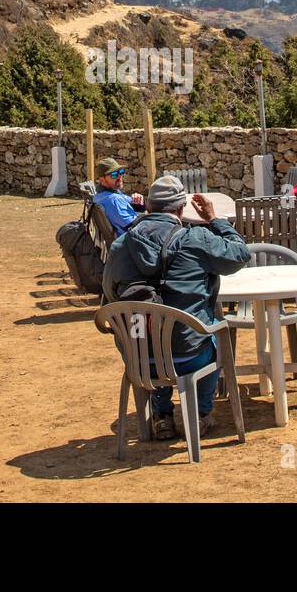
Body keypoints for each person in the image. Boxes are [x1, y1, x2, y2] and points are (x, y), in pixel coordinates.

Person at [103, 175, 250, 439]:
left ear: (148, 206)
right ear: (181, 209)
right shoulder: (196, 239)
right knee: (209, 337)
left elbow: (109, 292)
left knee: (150, 335)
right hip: (189, 354)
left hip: (139, 358)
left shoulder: (120, 245)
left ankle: (162, 417)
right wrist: (214, 219)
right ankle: (201, 413)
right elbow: (240, 255)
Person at [91, 157, 144, 233]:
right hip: (130, 240)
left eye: (121, 172)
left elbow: (133, 202)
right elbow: (135, 226)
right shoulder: (114, 199)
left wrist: (139, 201)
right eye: (114, 174)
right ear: (102, 180)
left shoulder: (100, 195)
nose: (120, 177)